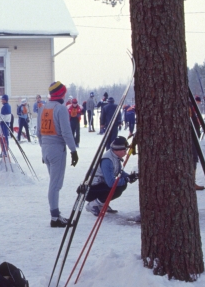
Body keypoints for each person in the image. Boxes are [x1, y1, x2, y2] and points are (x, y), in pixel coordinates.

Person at [37, 81, 78, 227]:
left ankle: (56, 215)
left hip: (46, 148)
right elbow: (66, 132)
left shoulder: (43, 108)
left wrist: (43, 149)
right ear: (61, 94)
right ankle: (55, 218)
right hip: (57, 149)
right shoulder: (60, 109)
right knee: (55, 185)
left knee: (53, 184)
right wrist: (73, 151)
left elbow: (38, 133)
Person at [85, 137, 138, 216]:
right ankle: (93, 204)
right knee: (116, 188)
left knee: (122, 185)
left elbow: (119, 172)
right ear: (118, 150)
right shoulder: (107, 160)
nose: (126, 152)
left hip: (100, 185)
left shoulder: (114, 156)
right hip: (91, 190)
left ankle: (101, 203)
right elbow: (111, 183)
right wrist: (126, 179)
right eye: (124, 150)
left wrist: (129, 177)